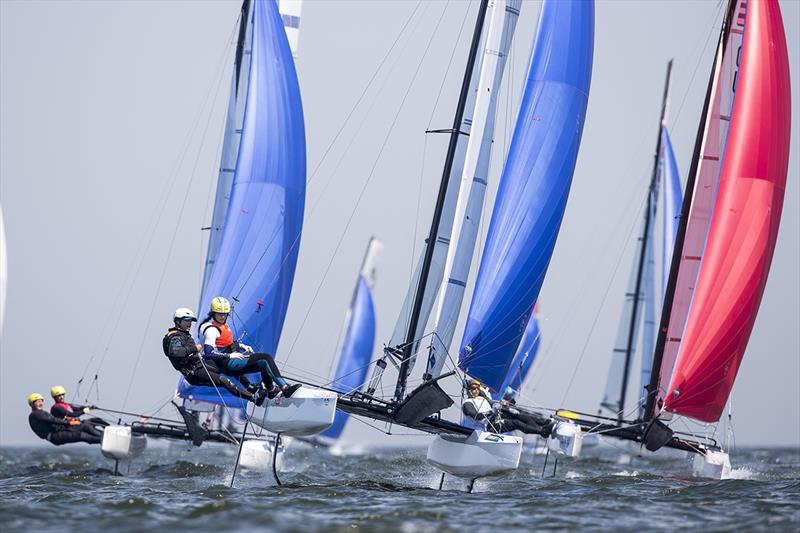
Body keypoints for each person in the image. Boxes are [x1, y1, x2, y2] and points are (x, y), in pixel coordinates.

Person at [198, 297, 300, 399]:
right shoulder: (212, 330)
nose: (222, 316)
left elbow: (224, 343)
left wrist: (241, 345)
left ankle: (271, 390)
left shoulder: (223, 325)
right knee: (266, 358)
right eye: (219, 314)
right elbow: (209, 353)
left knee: (263, 364)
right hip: (228, 363)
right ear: (213, 313)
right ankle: (285, 388)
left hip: (231, 360)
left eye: (225, 314)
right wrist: (229, 355)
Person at [163, 307, 266, 406]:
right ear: (177, 321)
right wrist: (195, 348)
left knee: (225, 362)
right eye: (186, 321)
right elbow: (176, 353)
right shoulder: (175, 337)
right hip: (194, 372)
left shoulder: (183, 334)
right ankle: (253, 398)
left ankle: (250, 386)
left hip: (201, 364)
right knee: (224, 381)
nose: (189, 323)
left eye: (191, 321)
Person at [461, 380, 553, 437]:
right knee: (515, 423)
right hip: (491, 425)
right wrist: (491, 411)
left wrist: (504, 405)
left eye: (477, 388)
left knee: (519, 414)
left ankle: (544, 423)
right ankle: (542, 431)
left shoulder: (481, 395)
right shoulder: (467, 404)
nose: (476, 390)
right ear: (468, 390)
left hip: (496, 416)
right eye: (473, 388)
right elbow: (476, 416)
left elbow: (491, 402)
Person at [27, 393, 103, 445]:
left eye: (41, 401)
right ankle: (103, 440)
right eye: (37, 402)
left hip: (57, 433)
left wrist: (70, 421)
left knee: (85, 426)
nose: (40, 403)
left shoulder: (40, 412)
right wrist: (69, 423)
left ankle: (103, 437)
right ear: (31, 404)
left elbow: (54, 420)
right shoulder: (35, 414)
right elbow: (54, 420)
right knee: (81, 435)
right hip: (54, 436)